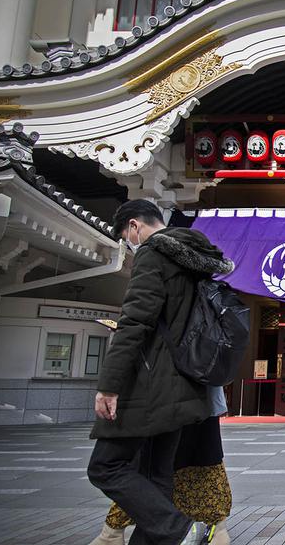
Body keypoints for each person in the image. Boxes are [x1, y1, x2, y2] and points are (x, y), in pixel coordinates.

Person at [86, 199, 235, 545]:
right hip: (186, 384)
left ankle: (183, 528)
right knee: (156, 475)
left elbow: (135, 322)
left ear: (135, 226)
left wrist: (109, 386)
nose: (129, 243)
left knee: (105, 466)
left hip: (151, 384)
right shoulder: (195, 261)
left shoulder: (153, 254)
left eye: (126, 236)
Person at [89, 387, 232, 545]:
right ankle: (208, 530)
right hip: (186, 400)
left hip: (169, 398)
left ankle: (186, 530)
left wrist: (110, 387)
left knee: (130, 469)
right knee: (156, 472)